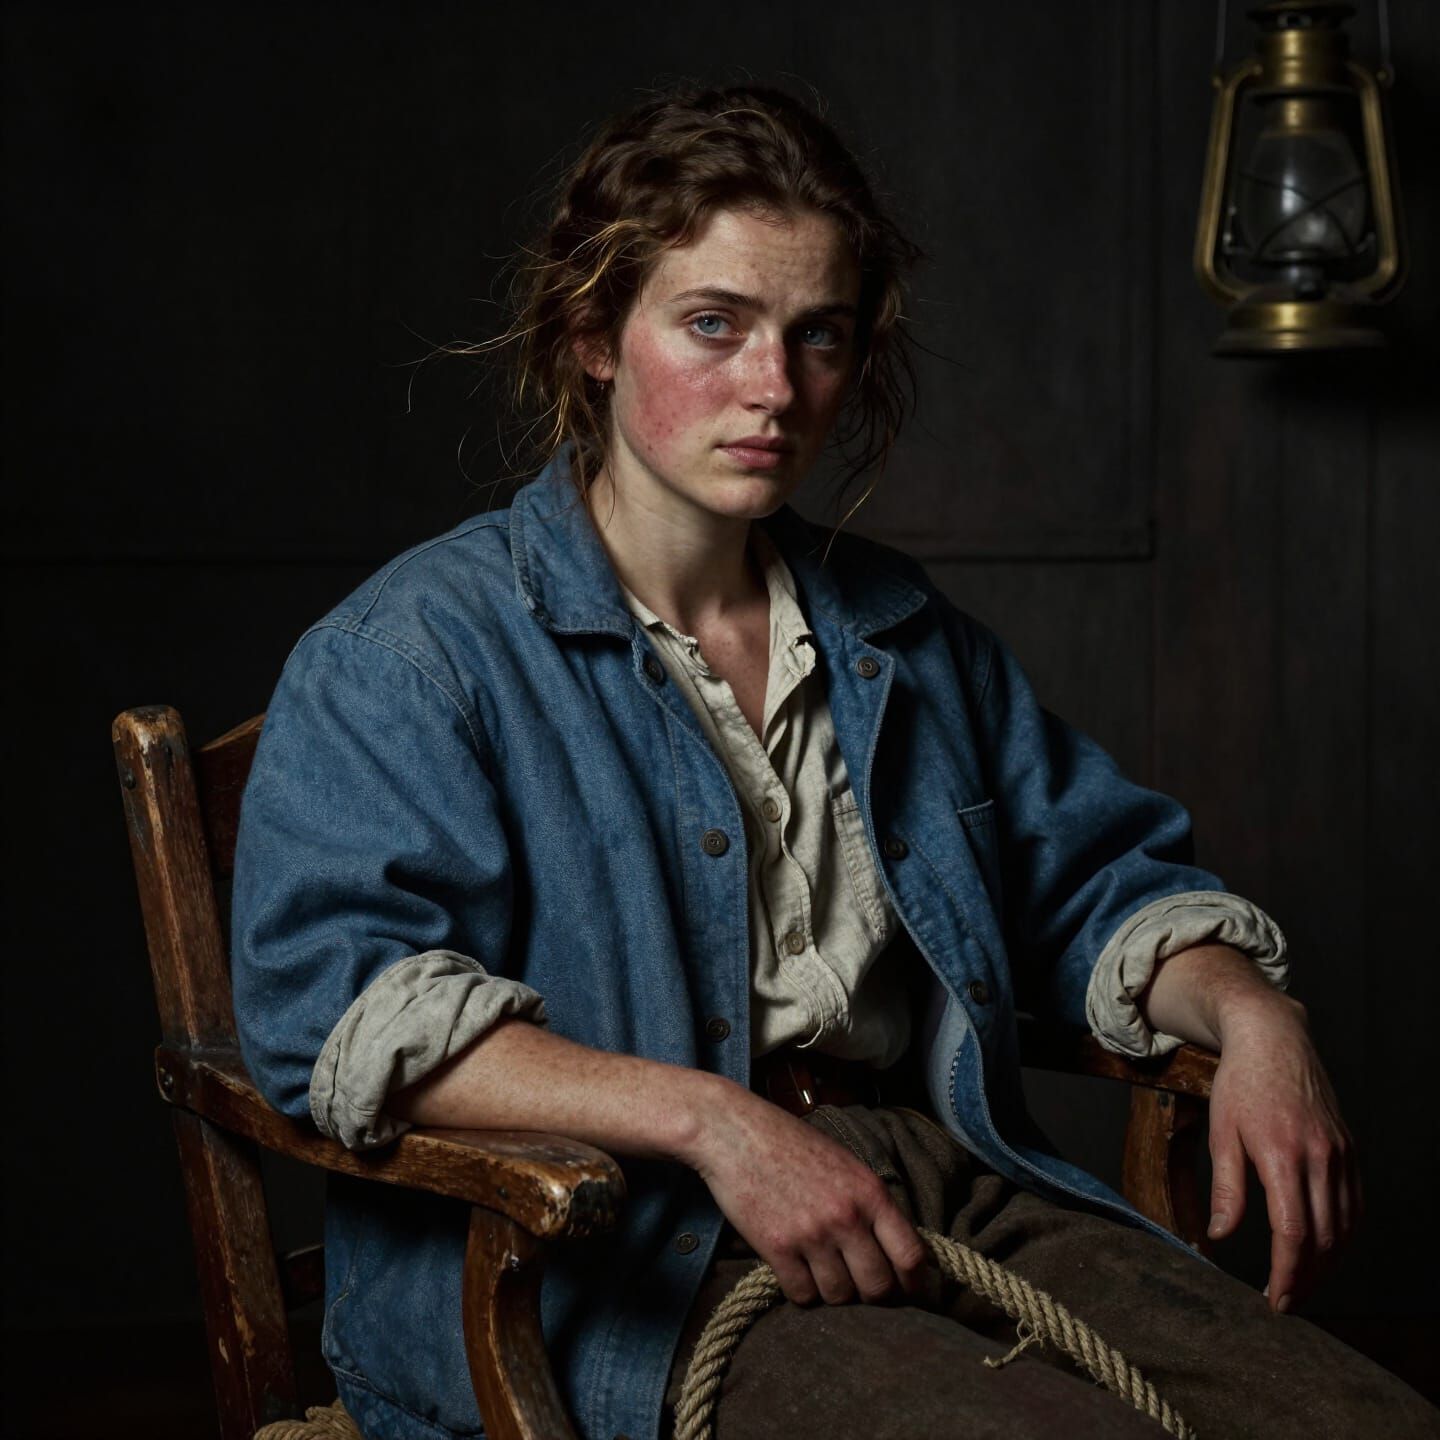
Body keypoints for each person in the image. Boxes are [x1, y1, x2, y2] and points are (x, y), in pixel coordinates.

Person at [231, 85, 1438, 1440]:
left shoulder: (899, 634)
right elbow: (331, 1007)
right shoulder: (414, 654)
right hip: (612, 1258)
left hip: (930, 1175)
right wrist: (712, 1123)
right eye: (714, 324)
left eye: (820, 336)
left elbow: (1094, 883)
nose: (774, 387)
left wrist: (1257, 1017)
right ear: (590, 336)